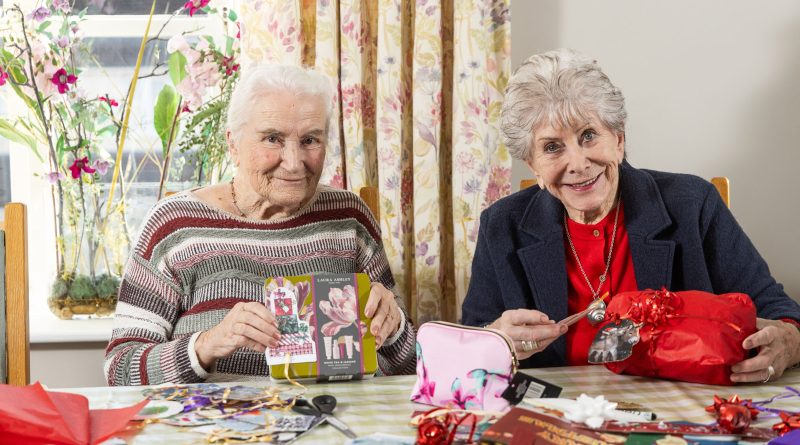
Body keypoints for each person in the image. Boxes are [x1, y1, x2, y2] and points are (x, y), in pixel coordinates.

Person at [461, 48, 800, 383]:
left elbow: (781, 312)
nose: (578, 163)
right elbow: (469, 346)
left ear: (619, 140)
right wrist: (494, 340)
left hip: (677, 408)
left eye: (588, 135)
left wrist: (788, 341)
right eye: (552, 147)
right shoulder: (501, 226)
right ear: (532, 165)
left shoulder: (693, 205)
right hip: (554, 411)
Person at [105, 65, 416, 385]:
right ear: (233, 145)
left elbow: (410, 367)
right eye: (272, 139)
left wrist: (394, 330)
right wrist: (206, 345)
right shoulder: (175, 225)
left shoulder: (349, 218)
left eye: (310, 140)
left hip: (333, 410)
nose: (294, 163)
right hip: (222, 416)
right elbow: (121, 370)